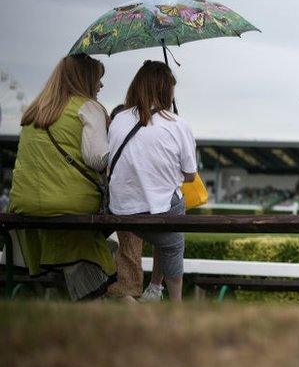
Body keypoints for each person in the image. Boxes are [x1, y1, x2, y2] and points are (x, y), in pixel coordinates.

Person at [8, 54, 116, 300]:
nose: (101, 86)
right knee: (111, 233)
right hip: (69, 204)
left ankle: (69, 294)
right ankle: (98, 295)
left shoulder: (34, 111)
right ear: (85, 79)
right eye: (98, 79)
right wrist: (111, 136)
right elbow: (97, 159)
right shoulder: (88, 107)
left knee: (72, 242)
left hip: (24, 205)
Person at [108, 61, 198, 302]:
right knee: (173, 235)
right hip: (156, 213)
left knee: (165, 208)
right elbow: (190, 175)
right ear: (167, 90)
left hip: (121, 211)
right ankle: (175, 301)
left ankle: (155, 289)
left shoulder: (118, 120)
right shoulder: (177, 124)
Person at [104, 104, 145, 301]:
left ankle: (127, 289)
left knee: (129, 244)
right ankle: (129, 290)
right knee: (130, 246)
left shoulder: (110, 139)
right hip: (129, 202)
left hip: (119, 201)